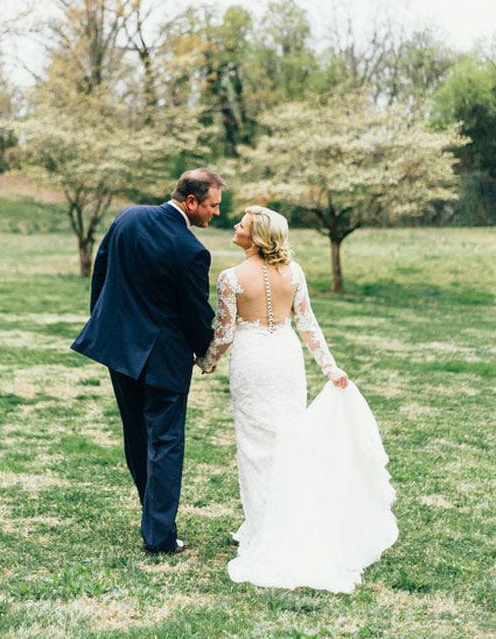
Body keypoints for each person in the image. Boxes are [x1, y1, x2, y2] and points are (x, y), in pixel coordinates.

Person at [197, 205, 397, 592]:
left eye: (242, 224)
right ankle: (282, 523)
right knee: (288, 443)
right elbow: (307, 323)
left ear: (255, 237)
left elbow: (222, 333)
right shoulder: (294, 272)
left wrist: (205, 360)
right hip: (287, 359)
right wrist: (330, 367)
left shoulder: (229, 278)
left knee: (255, 449)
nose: (235, 227)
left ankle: (261, 532)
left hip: (253, 361)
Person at [71, 169, 224, 554]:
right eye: (213, 205)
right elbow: (194, 314)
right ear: (191, 202)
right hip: (162, 359)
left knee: (137, 435)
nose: (216, 213)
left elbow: (101, 273)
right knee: (166, 441)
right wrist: (206, 353)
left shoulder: (128, 217)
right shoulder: (191, 250)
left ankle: (152, 516)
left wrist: (104, 324)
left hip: (118, 349)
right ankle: (159, 535)